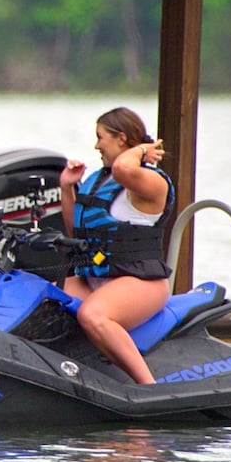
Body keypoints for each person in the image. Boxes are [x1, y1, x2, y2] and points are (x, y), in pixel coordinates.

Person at [59, 107, 174, 384]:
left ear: (121, 139)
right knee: (43, 299)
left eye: (100, 137)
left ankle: (148, 388)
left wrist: (142, 150)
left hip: (139, 281)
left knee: (94, 316)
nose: (96, 145)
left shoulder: (149, 180)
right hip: (98, 278)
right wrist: (66, 187)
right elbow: (77, 229)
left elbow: (125, 167)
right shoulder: (101, 180)